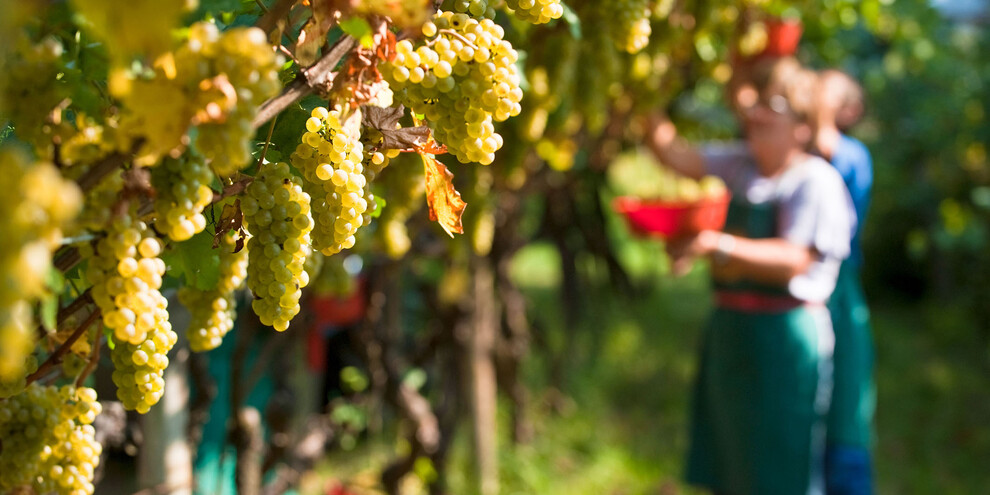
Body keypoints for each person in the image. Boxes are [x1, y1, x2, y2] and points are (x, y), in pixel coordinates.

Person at [644, 57, 856, 494]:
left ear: (802, 124)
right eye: (756, 103)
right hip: (730, 331)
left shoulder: (814, 181)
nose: (755, 114)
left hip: (785, 338)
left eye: (771, 105)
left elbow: (793, 260)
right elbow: (676, 156)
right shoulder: (740, 165)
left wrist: (717, 244)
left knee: (782, 459)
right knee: (729, 454)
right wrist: (644, 97)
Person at [813, 69, 876, 495]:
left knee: (844, 415)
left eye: (828, 89)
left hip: (839, 293)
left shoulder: (852, 154)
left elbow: (824, 143)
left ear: (849, 111)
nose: (817, 88)